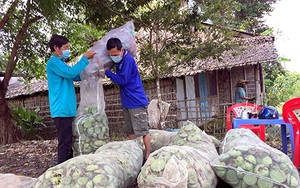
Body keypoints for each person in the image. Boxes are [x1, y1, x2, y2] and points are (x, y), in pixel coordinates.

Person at [46, 34, 96, 164]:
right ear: (56, 48)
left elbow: (75, 76)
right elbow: (70, 73)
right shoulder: (53, 62)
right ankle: (61, 171)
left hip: (67, 109)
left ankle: (68, 167)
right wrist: (84, 58)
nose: (68, 50)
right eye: (65, 47)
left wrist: (91, 72)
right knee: (64, 143)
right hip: (61, 109)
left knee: (69, 142)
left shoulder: (60, 63)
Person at [104, 37, 151, 162]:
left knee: (143, 130)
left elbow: (122, 80)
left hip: (136, 101)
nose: (113, 57)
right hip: (127, 102)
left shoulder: (128, 60)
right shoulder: (118, 61)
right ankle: (135, 154)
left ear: (121, 50)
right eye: (110, 55)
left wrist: (107, 72)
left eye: (115, 54)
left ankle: (147, 156)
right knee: (130, 131)